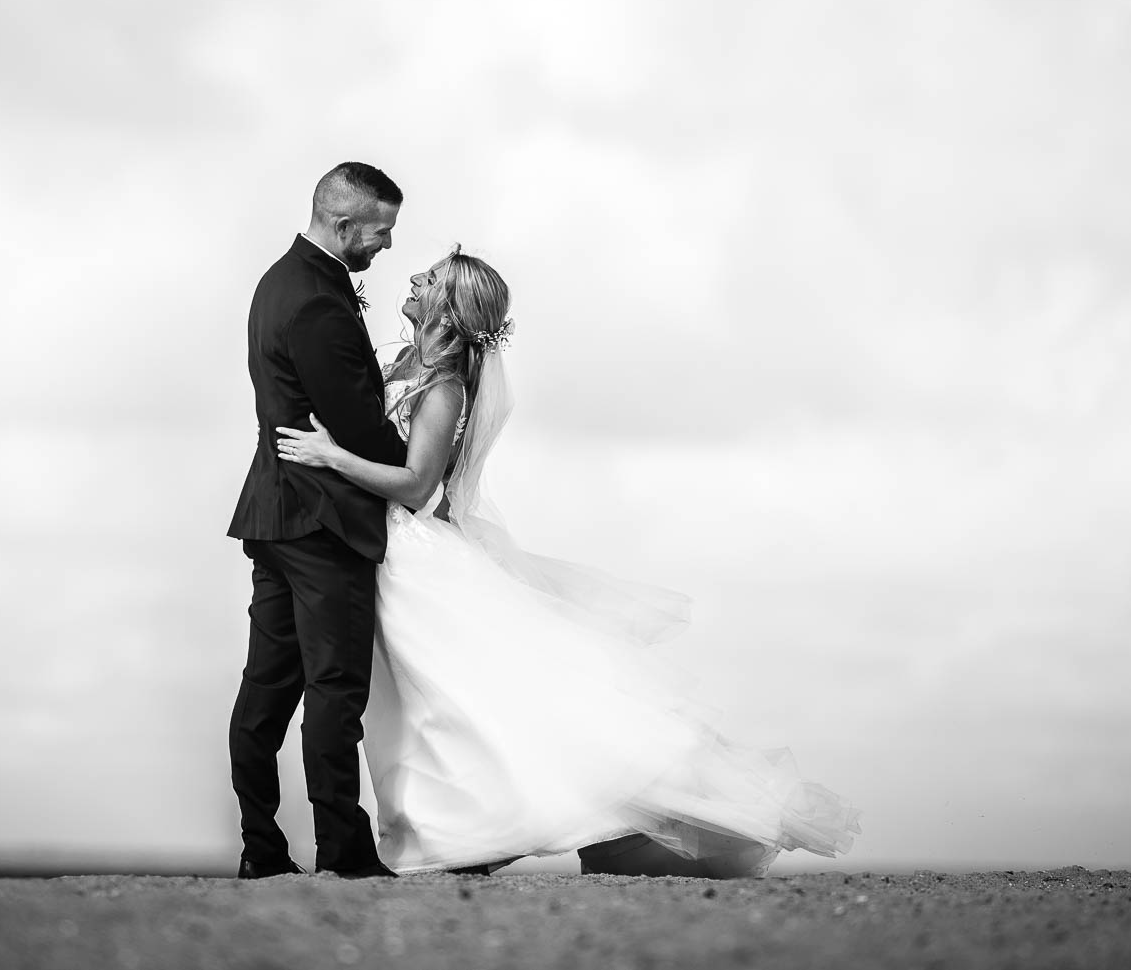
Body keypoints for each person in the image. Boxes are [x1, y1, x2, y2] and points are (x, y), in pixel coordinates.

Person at [275, 246, 861, 877]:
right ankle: (457, 830)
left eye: (430, 278)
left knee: (458, 701)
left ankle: (482, 830)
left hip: (411, 558)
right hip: (386, 554)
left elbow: (418, 487)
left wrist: (331, 456)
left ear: (448, 305)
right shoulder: (402, 364)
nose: (414, 278)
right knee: (428, 706)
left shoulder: (443, 387)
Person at [225, 162, 408, 879]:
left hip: (276, 512)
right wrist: (418, 469)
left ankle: (261, 849)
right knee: (335, 687)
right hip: (321, 520)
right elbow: (358, 426)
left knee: (266, 689)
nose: (387, 245)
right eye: (381, 230)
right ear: (343, 224)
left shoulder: (281, 282)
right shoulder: (317, 303)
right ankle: (344, 849)